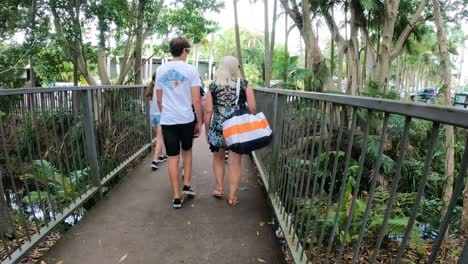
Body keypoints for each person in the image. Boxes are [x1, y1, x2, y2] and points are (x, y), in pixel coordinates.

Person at [155, 36, 203, 209]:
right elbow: (196, 100)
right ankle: (187, 185)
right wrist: (199, 121)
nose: (188, 53)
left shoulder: (161, 70)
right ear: (184, 50)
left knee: (172, 158)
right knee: (187, 152)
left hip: (168, 120)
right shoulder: (191, 70)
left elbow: (159, 100)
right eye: (188, 50)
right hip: (186, 119)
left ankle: (176, 196)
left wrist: (166, 114)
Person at [204, 56, 257, 206]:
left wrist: (207, 130)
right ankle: (232, 196)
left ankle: (219, 188)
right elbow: (253, 108)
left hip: (218, 128)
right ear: (236, 68)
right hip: (237, 129)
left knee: (218, 159)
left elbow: (208, 111)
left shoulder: (213, 86)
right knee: (235, 162)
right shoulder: (245, 84)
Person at [145, 73, 168, 170]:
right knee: (159, 138)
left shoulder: (150, 90)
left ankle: (161, 156)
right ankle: (155, 160)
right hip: (160, 116)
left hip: (152, 116)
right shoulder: (161, 89)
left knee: (158, 137)